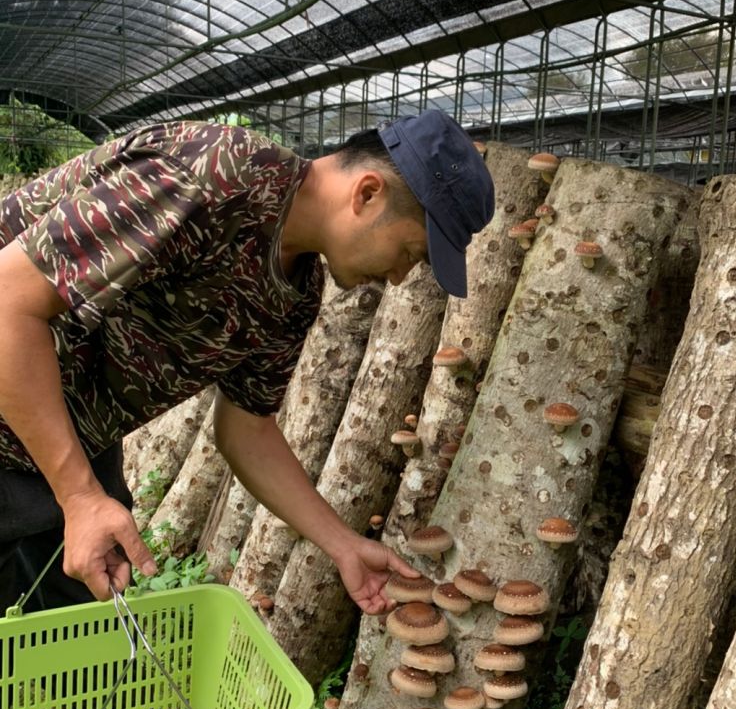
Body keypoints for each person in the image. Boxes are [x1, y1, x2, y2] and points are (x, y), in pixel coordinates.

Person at [0, 109, 494, 616]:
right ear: (367, 194)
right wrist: (79, 497)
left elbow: (246, 431)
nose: (398, 277)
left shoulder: (296, 293)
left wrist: (342, 544)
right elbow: (7, 303)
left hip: (67, 435)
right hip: (19, 414)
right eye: (410, 252)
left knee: (72, 637)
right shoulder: (207, 177)